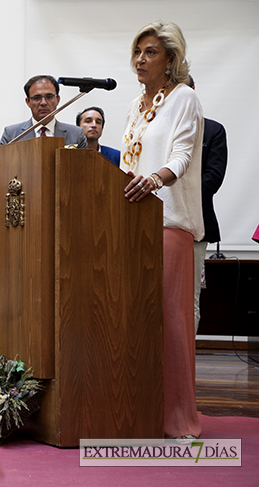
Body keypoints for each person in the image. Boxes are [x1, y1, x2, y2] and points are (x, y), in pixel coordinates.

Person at [121, 22, 203, 439]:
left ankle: (177, 417)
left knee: (170, 323)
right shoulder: (137, 104)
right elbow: (126, 162)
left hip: (170, 222)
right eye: (138, 51)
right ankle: (139, 412)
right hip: (134, 224)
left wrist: (154, 180)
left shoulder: (184, 98)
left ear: (170, 59)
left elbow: (184, 154)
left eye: (150, 52)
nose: (140, 59)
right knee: (134, 321)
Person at [186, 75, 228, 335]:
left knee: (188, 298)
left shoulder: (212, 130)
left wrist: (171, 192)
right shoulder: (154, 126)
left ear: (192, 92)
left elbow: (212, 179)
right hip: (152, 224)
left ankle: (185, 365)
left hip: (195, 224)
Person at [0, 75, 87, 147]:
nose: (43, 103)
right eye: (37, 98)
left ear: (58, 99)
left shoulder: (76, 134)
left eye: (49, 97)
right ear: (28, 102)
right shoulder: (12, 134)